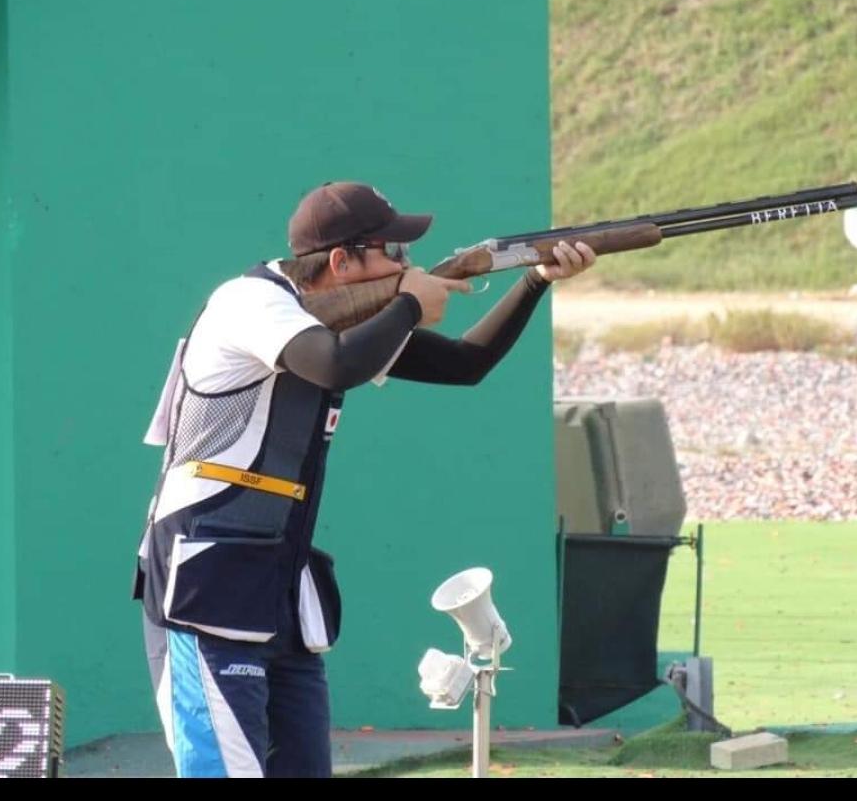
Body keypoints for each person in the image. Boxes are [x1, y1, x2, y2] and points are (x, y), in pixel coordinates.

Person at [132, 181, 595, 777]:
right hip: (208, 574)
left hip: (277, 581)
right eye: (393, 253)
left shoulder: (327, 321)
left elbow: (464, 364)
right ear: (341, 262)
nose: (407, 265)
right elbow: (337, 364)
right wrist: (406, 304)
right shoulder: (249, 301)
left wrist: (533, 281)